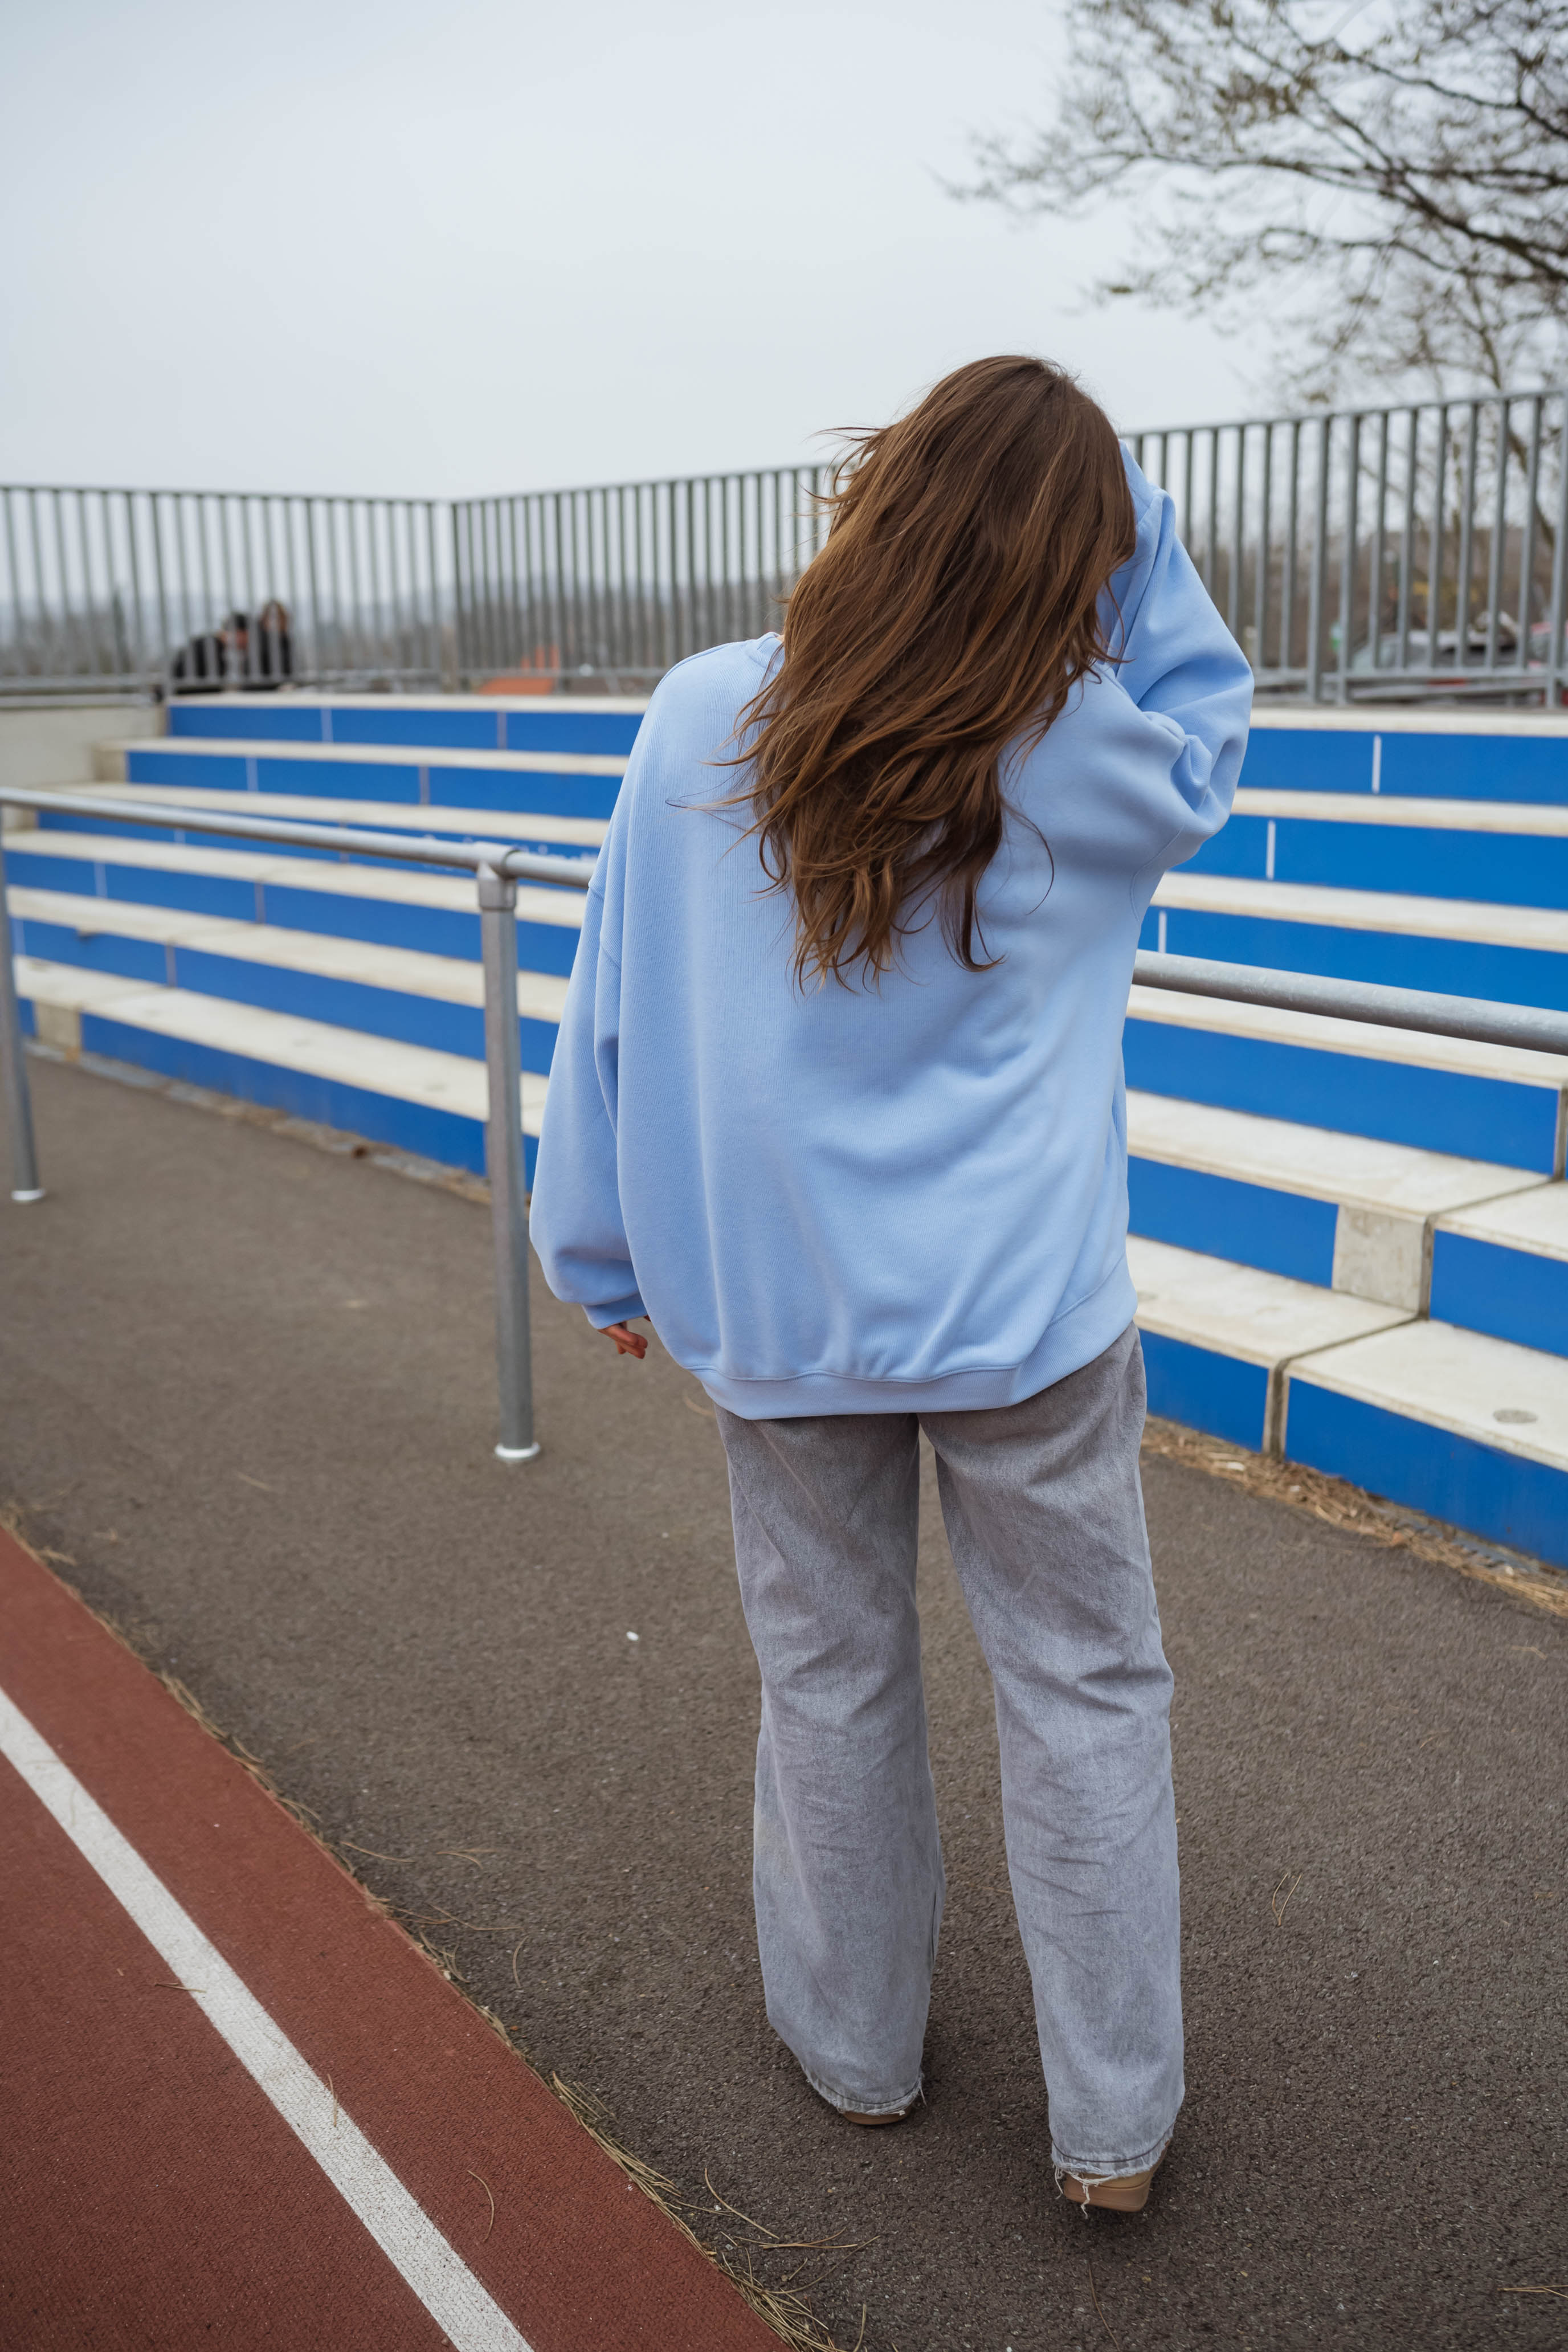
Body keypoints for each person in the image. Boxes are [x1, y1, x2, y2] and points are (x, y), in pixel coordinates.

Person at [530, 356, 1252, 2214]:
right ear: (1085, 563)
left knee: (828, 1671)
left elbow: (610, 1008)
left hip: (775, 1304)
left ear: (880, 500)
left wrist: (598, 1247)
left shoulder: (700, 710)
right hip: (1024, 1316)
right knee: (1086, 1687)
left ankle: (856, 2053)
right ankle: (1111, 2135)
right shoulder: (1087, 747)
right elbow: (1211, 722)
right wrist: (1134, 520)